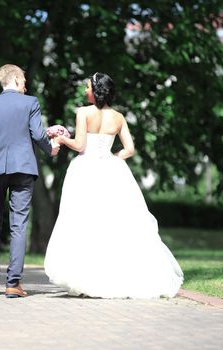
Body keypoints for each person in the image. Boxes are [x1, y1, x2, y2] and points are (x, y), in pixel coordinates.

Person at [44, 72, 183, 298]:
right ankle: (114, 277)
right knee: (112, 221)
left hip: (85, 170)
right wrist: (112, 159)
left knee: (84, 221)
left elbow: (80, 145)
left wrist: (60, 139)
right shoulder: (118, 117)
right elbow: (129, 149)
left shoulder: (83, 112)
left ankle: (88, 278)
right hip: (110, 170)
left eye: (88, 86)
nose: (85, 90)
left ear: (95, 90)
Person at [0, 64, 60, 298]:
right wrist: (51, 149)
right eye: (24, 81)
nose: (26, 86)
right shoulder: (30, 103)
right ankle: (13, 283)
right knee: (18, 225)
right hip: (23, 169)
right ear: (17, 80)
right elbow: (38, 134)